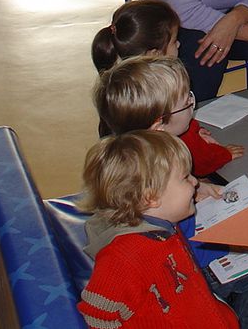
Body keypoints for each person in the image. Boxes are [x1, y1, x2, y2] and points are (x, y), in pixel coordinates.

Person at [93, 55, 248, 329]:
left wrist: (197, 188)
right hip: (187, 271)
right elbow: (177, 251)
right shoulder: (143, 234)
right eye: (187, 102)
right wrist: (232, 245)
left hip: (182, 256)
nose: (192, 105)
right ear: (160, 123)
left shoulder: (137, 160)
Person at [77, 130, 239, 329]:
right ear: (151, 197)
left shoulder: (162, 226)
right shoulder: (124, 258)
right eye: (185, 177)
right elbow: (97, 316)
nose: (195, 181)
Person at [91, 0, 245, 176]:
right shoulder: (164, 91)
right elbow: (198, 159)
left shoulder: (124, 87)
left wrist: (195, 130)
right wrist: (223, 154)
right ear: (154, 54)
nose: (179, 44)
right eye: (173, 41)